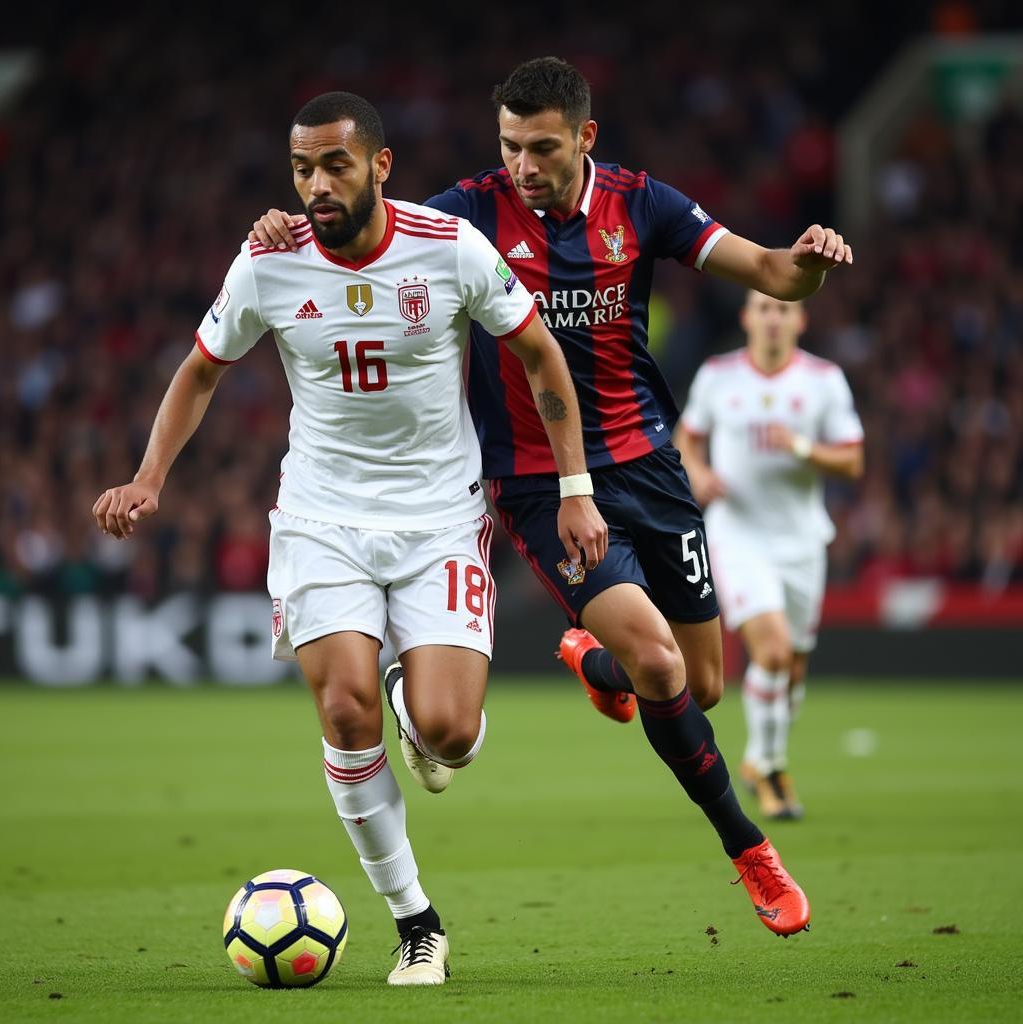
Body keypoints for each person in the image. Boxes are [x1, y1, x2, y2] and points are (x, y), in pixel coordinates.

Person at [252, 56, 855, 937]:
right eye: (510, 147)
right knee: (660, 665)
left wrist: (810, 262)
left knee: (702, 683)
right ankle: (750, 850)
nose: (524, 166)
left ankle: (589, 659)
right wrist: (285, 225)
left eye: (542, 148)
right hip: (542, 484)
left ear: (585, 138)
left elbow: (766, 268)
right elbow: (364, 223)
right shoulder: (468, 214)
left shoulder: (640, 203)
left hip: (650, 464)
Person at [93, 90, 607, 987]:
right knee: (342, 711)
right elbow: (198, 374)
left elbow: (540, 354)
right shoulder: (267, 266)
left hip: (441, 517)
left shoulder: (448, 250)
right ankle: (417, 921)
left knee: (449, 735)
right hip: (322, 518)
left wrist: (574, 488)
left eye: (334, 164)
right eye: (301, 169)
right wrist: (147, 479)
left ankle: (421, 710)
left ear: (380, 165)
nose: (316, 185)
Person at [677, 291, 864, 819]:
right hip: (737, 536)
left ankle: (768, 757)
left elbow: (853, 461)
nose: (773, 318)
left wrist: (802, 447)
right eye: (764, 308)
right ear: (747, 317)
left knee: (794, 666)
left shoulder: (823, 381)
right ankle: (767, 764)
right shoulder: (719, 376)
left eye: (784, 309)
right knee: (774, 651)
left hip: (802, 540)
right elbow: (686, 440)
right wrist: (698, 473)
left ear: (800, 319)